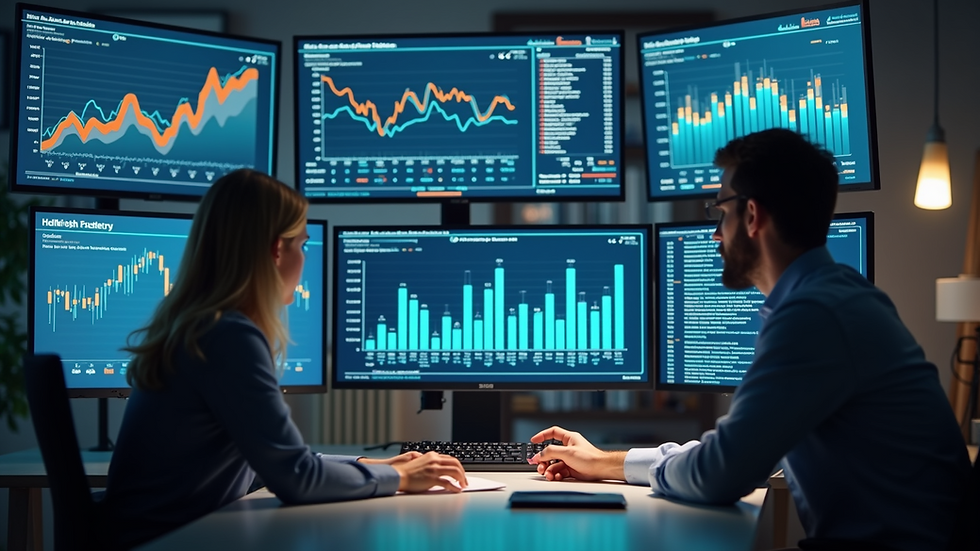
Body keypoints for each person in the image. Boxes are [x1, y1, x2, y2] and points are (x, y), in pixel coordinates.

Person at [529, 129, 972, 551]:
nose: (715, 233)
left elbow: (722, 473)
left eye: (721, 211)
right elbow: (732, 450)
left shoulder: (813, 315)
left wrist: (612, 464)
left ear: (754, 216)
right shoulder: (836, 297)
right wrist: (604, 461)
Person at [103, 169, 467, 549]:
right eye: (302, 244)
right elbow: (296, 477)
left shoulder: (198, 327)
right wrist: (402, 479)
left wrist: (375, 466)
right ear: (277, 249)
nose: (304, 257)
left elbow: (274, 460)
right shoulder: (228, 336)